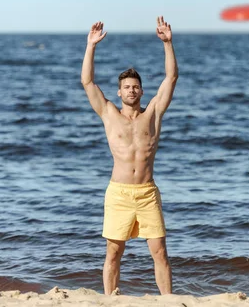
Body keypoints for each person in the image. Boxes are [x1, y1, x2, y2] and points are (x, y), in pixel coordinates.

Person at [80, 16, 178, 295]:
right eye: (126, 87)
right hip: (119, 193)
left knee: (159, 252)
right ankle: (110, 300)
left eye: (135, 86)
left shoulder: (153, 114)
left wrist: (168, 44)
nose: (131, 90)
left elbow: (171, 77)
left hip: (147, 193)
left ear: (141, 91)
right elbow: (87, 82)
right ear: (119, 92)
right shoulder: (109, 113)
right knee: (113, 252)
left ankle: (168, 300)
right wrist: (91, 46)